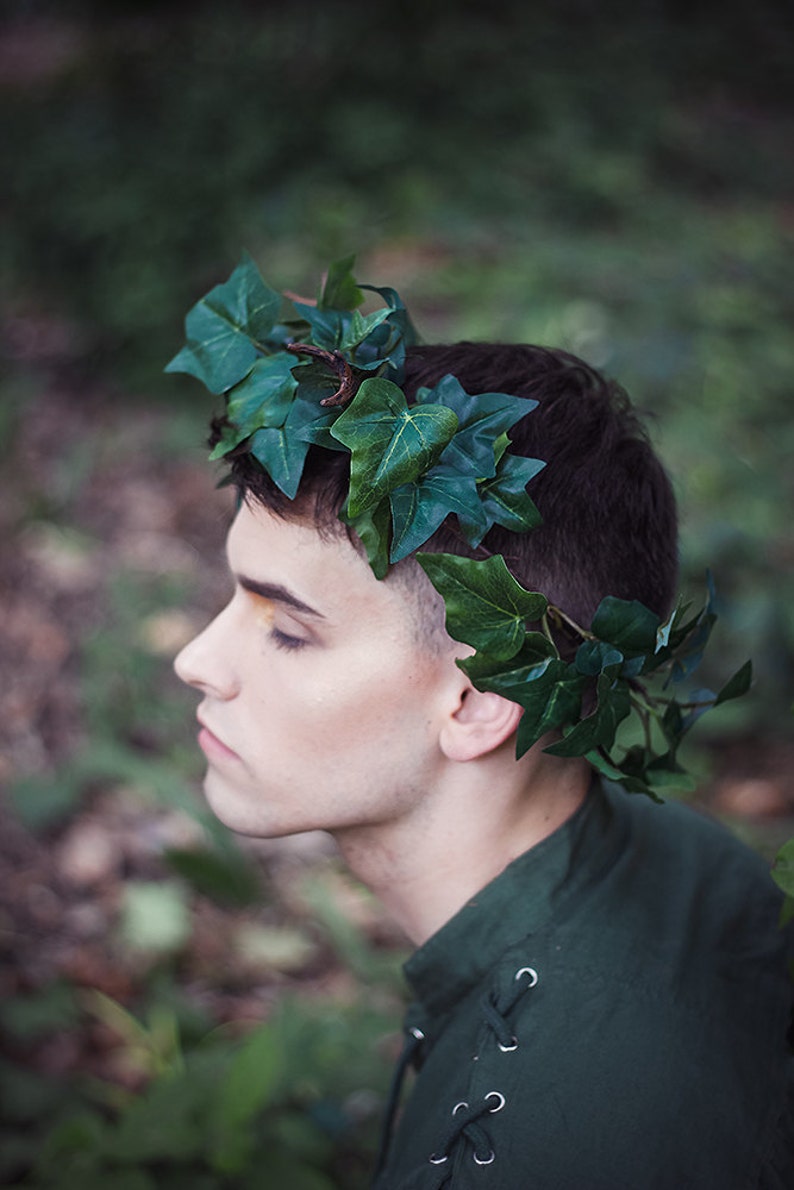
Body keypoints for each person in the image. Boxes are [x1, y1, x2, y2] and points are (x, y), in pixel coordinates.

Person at [171, 270, 793, 1188]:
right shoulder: (692, 861)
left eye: (290, 630)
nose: (194, 660)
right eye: (235, 599)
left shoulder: (550, 1147)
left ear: (477, 699)